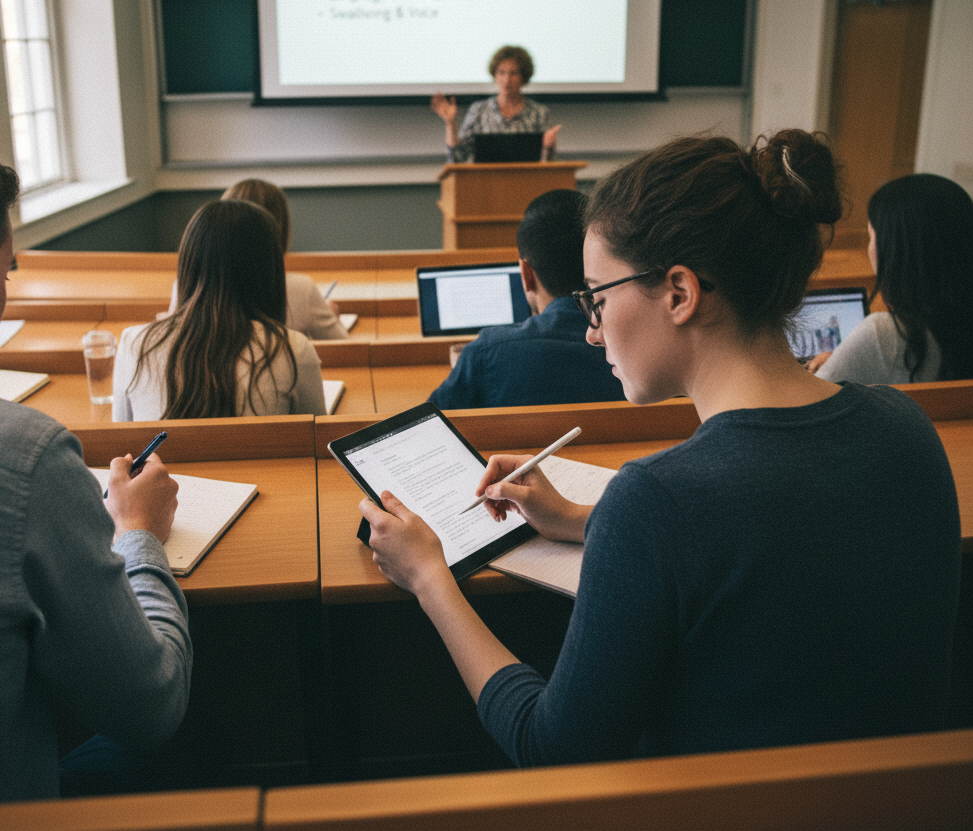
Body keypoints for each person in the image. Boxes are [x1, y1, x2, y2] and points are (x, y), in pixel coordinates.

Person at [360, 130, 961, 767]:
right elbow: (759, 533)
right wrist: (575, 520)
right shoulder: (907, 429)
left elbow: (552, 747)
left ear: (679, 293)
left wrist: (430, 578)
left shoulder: (656, 499)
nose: (591, 331)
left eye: (596, 296)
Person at [0, 132, 191, 804]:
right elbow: (152, 705)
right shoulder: (21, 459)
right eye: (7, 270)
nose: (3, 288)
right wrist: (138, 533)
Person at [115, 198, 325, 420]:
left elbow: (122, 445)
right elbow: (318, 443)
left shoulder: (134, 344)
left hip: (163, 457)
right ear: (269, 271)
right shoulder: (294, 349)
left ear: (188, 264)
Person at [428, 189, 624, 409]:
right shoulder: (637, 344)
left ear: (527, 274)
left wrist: (468, 368)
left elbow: (426, 429)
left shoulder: (487, 352)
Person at [809, 173, 973, 383]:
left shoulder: (885, 334)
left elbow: (806, 406)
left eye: (871, 236)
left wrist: (840, 362)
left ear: (895, 250)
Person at [167, 179, 349, 340]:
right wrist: (332, 317)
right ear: (277, 229)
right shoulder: (301, 289)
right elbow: (345, 348)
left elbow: (173, 336)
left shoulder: (187, 284)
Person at [431, 46, 561, 164]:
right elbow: (457, 157)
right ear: (495, 74)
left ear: (523, 76)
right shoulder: (479, 110)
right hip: (483, 183)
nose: (507, 79)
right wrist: (450, 123)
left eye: (513, 73)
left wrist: (548, 147)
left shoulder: (538, 113)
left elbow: (547, 164)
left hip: (528, 183)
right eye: (501, 72)